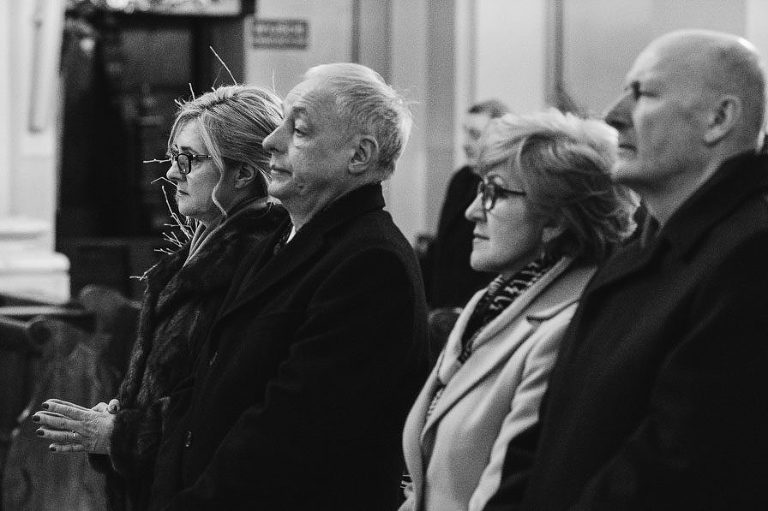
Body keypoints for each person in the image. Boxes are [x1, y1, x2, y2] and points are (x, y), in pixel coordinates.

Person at [494, 29, 768, 510]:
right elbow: (546, 431)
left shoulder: (750, 256)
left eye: (644, 93)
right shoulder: (640, 250)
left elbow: (678, 466)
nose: (613, 114)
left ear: (719, 119)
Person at [147, 63, 428, 510]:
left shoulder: (371, 264)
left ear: (359, 156)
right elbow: (211, 388)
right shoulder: (280, 236)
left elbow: (290, 436)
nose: (270, 142)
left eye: (298, 130)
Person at [31, 84, 287, 511]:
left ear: (242, 173)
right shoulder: (204, 253)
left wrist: (123, 434)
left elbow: (228, 408)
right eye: (173, 157)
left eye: (189, 160)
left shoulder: (257, 266)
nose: (171, 173)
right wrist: (123, 414)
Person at [400, 110, 635, 511]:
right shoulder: (490, 302)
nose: (472, 211)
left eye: (494, 192)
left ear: (556, 216)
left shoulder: (567, 329)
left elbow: (509, 494)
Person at [427, 100, 510, 309]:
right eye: (465, 133)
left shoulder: (506, 185)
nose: (465, 143)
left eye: (474, 134)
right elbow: (444, 248)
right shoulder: (461, 179)